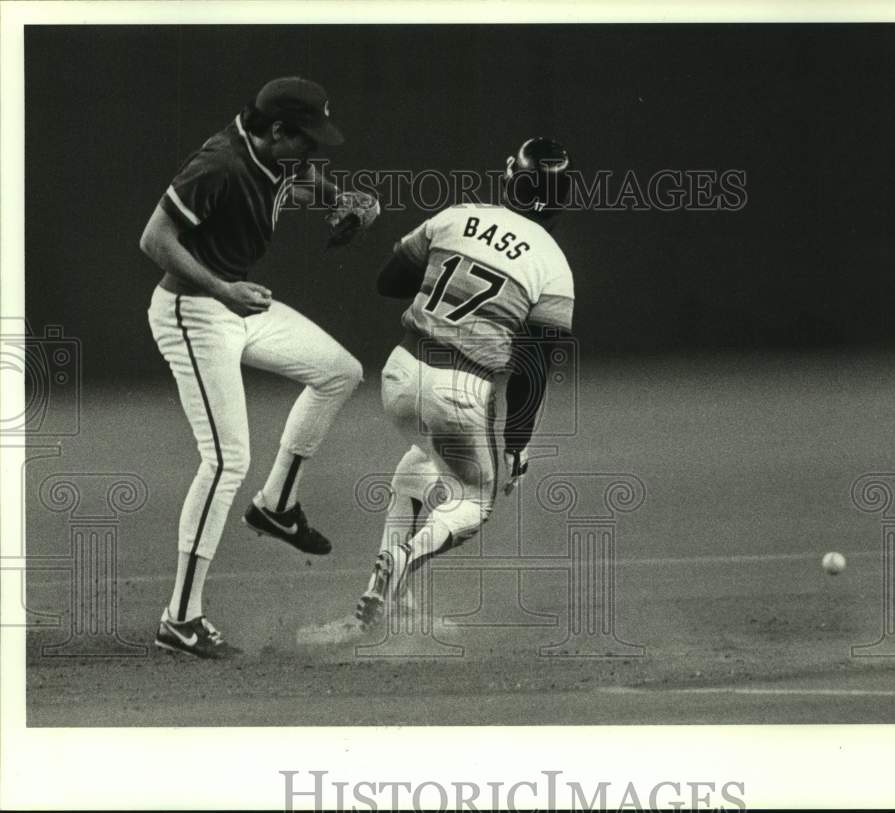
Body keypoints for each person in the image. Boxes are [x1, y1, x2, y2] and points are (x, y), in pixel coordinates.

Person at [298, 137, 575, 646]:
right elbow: (533, 369)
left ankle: (389, 611)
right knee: (476, 500)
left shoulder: (458, 215)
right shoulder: (554, 265)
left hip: (401, 373)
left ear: (510, 177)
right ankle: (399, 564)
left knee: (415, 470)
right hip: (462, 387)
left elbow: (389, 281)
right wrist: (516, 445)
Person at [141, 77, 377, 658]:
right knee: (225, 460)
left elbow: (296, 182)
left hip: (235, 306)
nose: (313, 150)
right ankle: (181, 618)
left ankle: (276, 505)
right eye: (307, 139)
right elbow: (154, 239)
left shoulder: (269, 153)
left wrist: (342, 202)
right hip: (193, 311)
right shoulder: (219, 164)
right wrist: (223, 289)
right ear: (277, 130)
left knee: (339, 371)